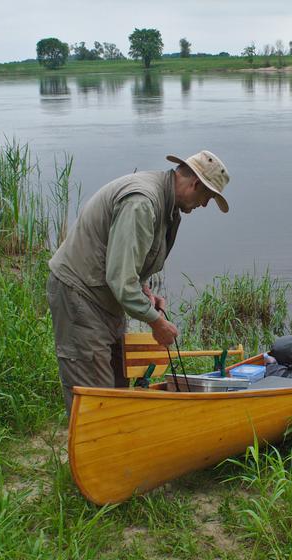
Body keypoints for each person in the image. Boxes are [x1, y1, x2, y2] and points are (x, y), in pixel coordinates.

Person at [47, 151, 231, 416]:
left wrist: (144, 290)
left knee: (118, 384)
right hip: (79, 293)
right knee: (96, 395)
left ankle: (118, 450)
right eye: (208, 197)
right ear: (195, 184)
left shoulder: (168, 206)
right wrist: (156, 322)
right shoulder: (142, 202)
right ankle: (96, 454)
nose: (204, 205)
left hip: (104, 295)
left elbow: (130, 262)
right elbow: (120, 279)